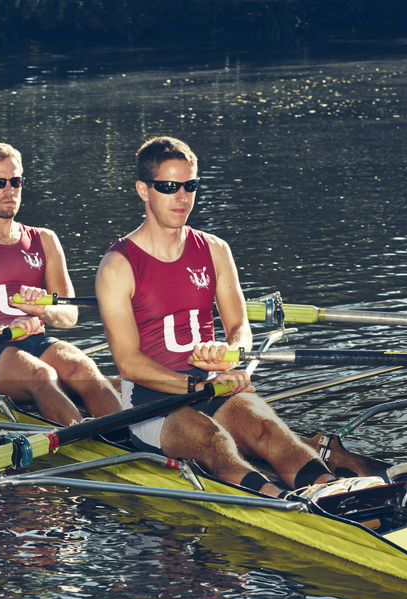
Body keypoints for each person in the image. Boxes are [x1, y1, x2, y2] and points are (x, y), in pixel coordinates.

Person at [95, 136, 367, 497]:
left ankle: (334, 490)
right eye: (168, 187)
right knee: (213, 440)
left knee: (270, 431)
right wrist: (200, 386)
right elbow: (128, 364)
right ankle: (281, 502)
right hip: (150, 403)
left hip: (213, 384)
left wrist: (232, 354)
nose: (182, 197)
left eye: (190, 186)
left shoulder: (215, 249)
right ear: (143, 190)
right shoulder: (118, 266)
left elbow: (239, 327)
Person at [0, 142, 120, 427]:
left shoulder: (45, 239)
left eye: (15, 181)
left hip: (36, 341)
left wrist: (45, 309)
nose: (9, 190)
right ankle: (83, 440)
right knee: (42, 376)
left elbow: (69, 316)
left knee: (83, 367)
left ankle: (124, 439)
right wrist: (4, 331)